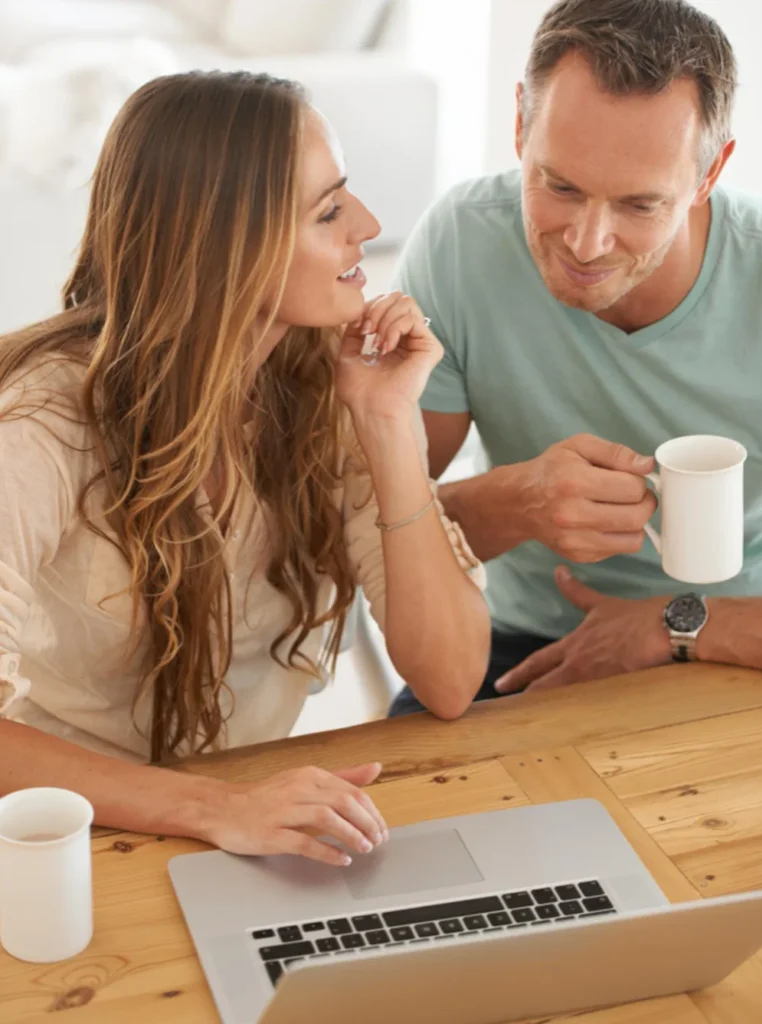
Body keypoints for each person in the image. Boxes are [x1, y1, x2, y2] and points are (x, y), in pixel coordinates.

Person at [0, 71, 490, 864]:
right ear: (224, 244)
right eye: (328, 211)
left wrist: (386, 423)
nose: (367, 225)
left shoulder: (330, 388)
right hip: (69, 836)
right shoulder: (40, 425)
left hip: (240, 824)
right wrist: (215, 806)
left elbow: (451, 678)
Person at [389, 0, 762, 716]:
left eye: (640, 205)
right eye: (559, 186)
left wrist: (673, 625)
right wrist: (513, 502)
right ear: (520, 126)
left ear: (711, 171)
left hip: (736, 642)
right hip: (518, 643)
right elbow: (369, 533)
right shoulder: (461, 246)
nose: (587, 244)